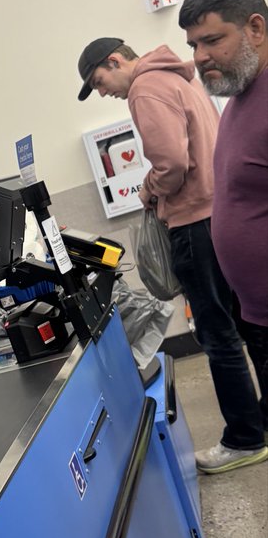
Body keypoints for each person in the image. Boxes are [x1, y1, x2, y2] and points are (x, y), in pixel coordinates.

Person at [76, 36, 267, 473]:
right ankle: (262, 423)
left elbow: (172, 165)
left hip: (194, 225)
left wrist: (147, 190)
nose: (103, 91)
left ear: (115, 60)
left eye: (99, 80)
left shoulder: (145, 89)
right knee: (249, 325)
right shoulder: (182, 78)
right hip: (222, 214)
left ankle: (244, 438)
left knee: (217, 337)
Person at [179, 0, 268, 448]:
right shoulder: (239, 94)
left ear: (255, 28)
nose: (199, 57)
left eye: (212, 40)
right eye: (193, 44)